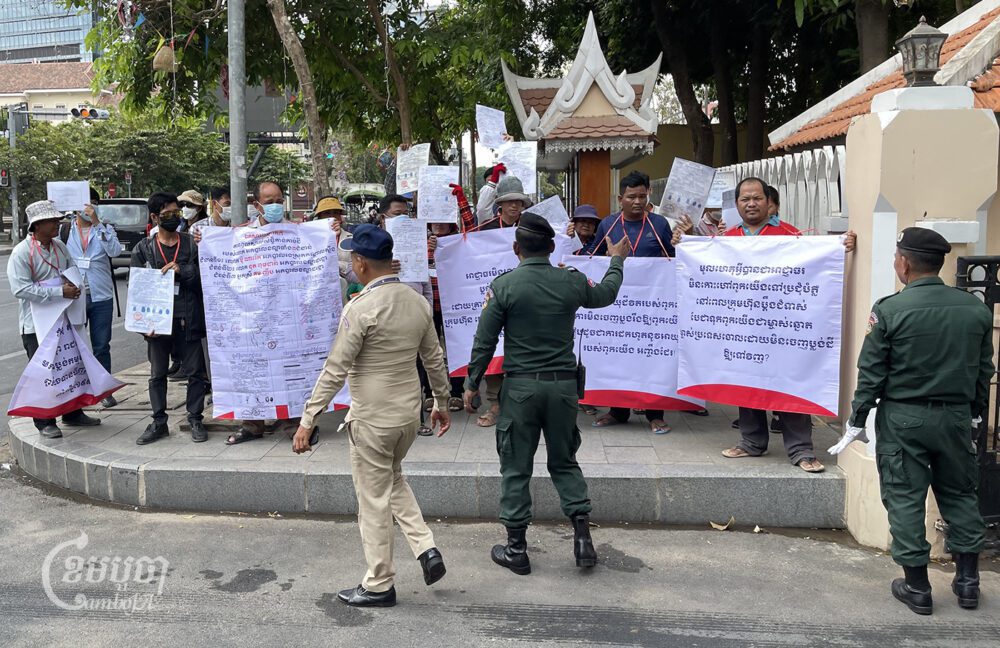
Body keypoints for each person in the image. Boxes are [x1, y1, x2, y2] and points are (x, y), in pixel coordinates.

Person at [829, 227, 991, 615]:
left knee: (905, 498)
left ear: (903, 263)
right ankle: (968, 583)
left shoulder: (889, 310)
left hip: (904, 418)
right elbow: (984, 370)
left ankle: (917, 587)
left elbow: (871, 373)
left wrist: (857, 420)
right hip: (954, 416)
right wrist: (974, 414)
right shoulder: (975, 309)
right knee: (960, 495)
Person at [293, 224, 453, 608]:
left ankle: (379, 583)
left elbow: (335, 369)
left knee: (373, 503)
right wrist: (442, 403)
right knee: (392, 479)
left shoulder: (360, 308)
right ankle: (426, 547)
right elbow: (433, 358)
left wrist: (308, 419)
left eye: (352, 258)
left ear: (361, 263)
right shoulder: (415, 300)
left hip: (371, 421)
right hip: (407, 417)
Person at [463, 213, 632, 575]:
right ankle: (583, 539)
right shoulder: (568, 281)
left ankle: (516, 549)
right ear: (552, 247)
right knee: (564, 460)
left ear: (515, 248)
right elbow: (605, 294)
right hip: (562, 388)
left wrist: (471, 383)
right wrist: (617, 259)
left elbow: (484, 340)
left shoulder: (504, 285)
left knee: (515, 466)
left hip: (520, 390)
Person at [711, 176, 856, 472]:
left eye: (757, 198)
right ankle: (751, 442)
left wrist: (841, 246)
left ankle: (801, 450)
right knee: (746, 384)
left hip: (783, 328)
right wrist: (684, 242)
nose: (751, 203)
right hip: (743, 329)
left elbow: (816, 262)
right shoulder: (727, 240)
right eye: (744, 199)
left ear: (769, 202)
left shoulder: (790, 235)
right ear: (737, 204)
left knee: (790, 385)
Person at [586, 171, 674, 434]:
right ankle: (617, 411)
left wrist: (683, 243)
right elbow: (592, 256)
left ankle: (654, 414)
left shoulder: (659, 224)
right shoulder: (608, 225)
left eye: (643, 196)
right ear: (620, 198)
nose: (637, 202)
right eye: (631, 196)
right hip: (617, 306)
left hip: (651, 306)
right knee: (617, 353)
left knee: (650, 354)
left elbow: (673, 259)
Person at [7, 200, 101, 438]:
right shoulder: (21, 253)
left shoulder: (60, 247)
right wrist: (59, 291)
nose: (58, 224)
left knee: (70, 366)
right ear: (37, 225)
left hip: (63, 320)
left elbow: (71, 270)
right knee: (44, 373)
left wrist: (73, 285)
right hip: (35, 325)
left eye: (58, 220)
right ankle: (44, 421)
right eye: (53, 221)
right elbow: (20, 289)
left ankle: (73, 412)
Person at [130, 193, 209, 444]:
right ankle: (158, 421)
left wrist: (182, 270)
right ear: (154, 217)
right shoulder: (143, 249)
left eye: (177, 213)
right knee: (157, 374)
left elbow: (204, 281)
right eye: (168, 215)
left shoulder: (190, 245)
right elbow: (137, 291)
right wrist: (144, 327)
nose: (175, 218)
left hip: (188, 317)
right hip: (157, 323)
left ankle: (195, 418)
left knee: (196, 372)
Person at [226, 181, 298, 445]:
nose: (275, 205)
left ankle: (293, 422)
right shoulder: (241, 235)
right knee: (253, 370)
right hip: (254, 315)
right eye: (269, 201)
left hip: (286, 314)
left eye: (279, 199)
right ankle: (253, 424)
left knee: (288, 369)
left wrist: (329, 233)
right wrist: (206, 241)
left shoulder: (297, 232)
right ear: (257, 205)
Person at [468, 174, 532, 427]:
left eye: (518, 201)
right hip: (494, 298)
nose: (514, 206)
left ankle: (520, 404)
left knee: (521, 349)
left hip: (526, 300)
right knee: (494, 348)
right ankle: (494, 403)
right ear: (500, 204)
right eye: (509, 201)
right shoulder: (485, 231)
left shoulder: (532, 227)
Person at [61, 187, 123, 408]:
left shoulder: (104, 228)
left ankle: (104, 389)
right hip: (75, 296)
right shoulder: (65, 230)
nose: (89, 207)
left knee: (101, 344)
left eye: (94, 202)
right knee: (74, 345)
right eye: (85, 203)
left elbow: (115, 251)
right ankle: (77, 390)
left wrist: (97, 223)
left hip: (101, 296)